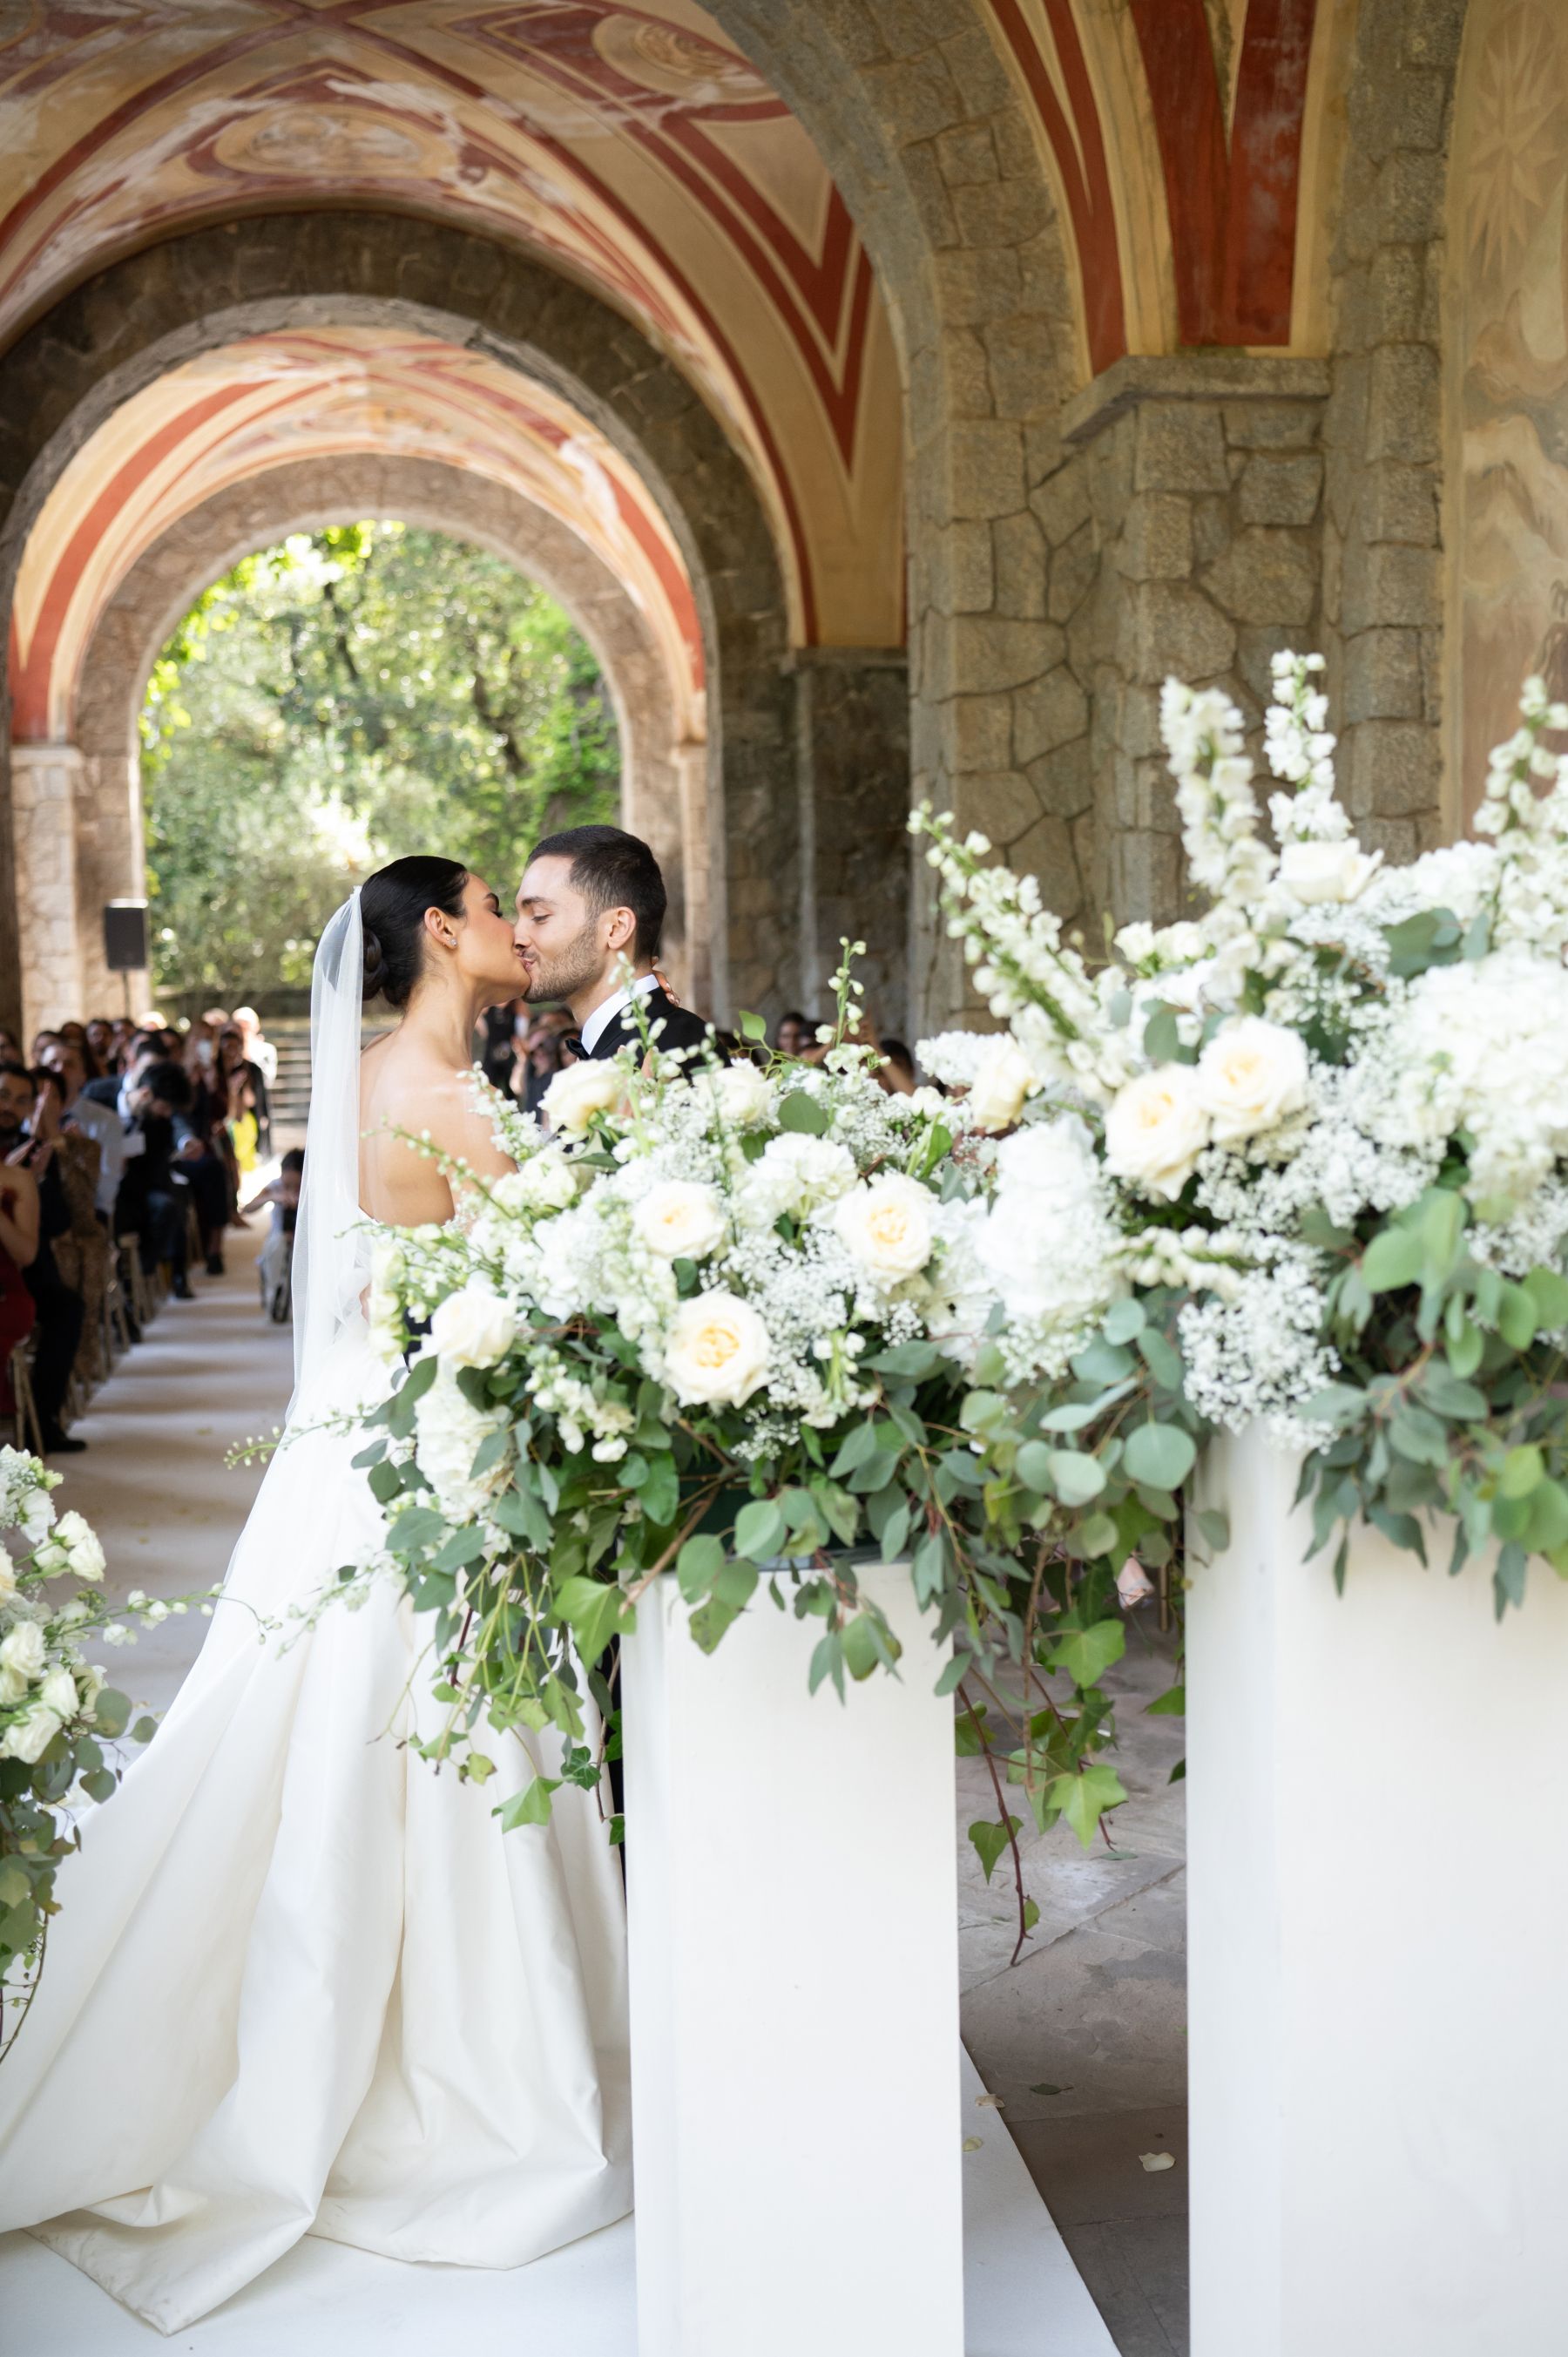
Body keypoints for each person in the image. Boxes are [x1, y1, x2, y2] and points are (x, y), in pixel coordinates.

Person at [0, 855, 630, 2332]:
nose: (509, 930)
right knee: (436, 1747)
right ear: (436, 932)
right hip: (441, 1466)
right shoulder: (454, 1106)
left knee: (324, 1743)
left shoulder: (361, 1075)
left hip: (349, 1456)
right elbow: (563, 1283)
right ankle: (461, 2070)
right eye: (491, 906)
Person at [514, 823, 709, 1062]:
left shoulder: (668, 1055)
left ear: (616, 928)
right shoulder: (623, 1045)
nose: (517, 936)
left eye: (539, 916)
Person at [0, 1060, 85, 1453]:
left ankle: (43, 1419)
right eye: (3, 1096)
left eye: (20, 1100)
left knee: (67, 1307)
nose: (9, 1107)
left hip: (25, 1268)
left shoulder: (35, 1149)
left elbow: (59, 1223)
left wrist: (37, 1182)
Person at [253, 1145, 303, 1322]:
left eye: (296, 1185)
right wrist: (272, 1197)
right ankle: (275, 1290)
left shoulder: (311, 1189)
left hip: (304, 1240)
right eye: (287, 1184)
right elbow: (247, 1208)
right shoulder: (275, 1187)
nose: (290, 1189)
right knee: (277, 1244)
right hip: (278, 1237)